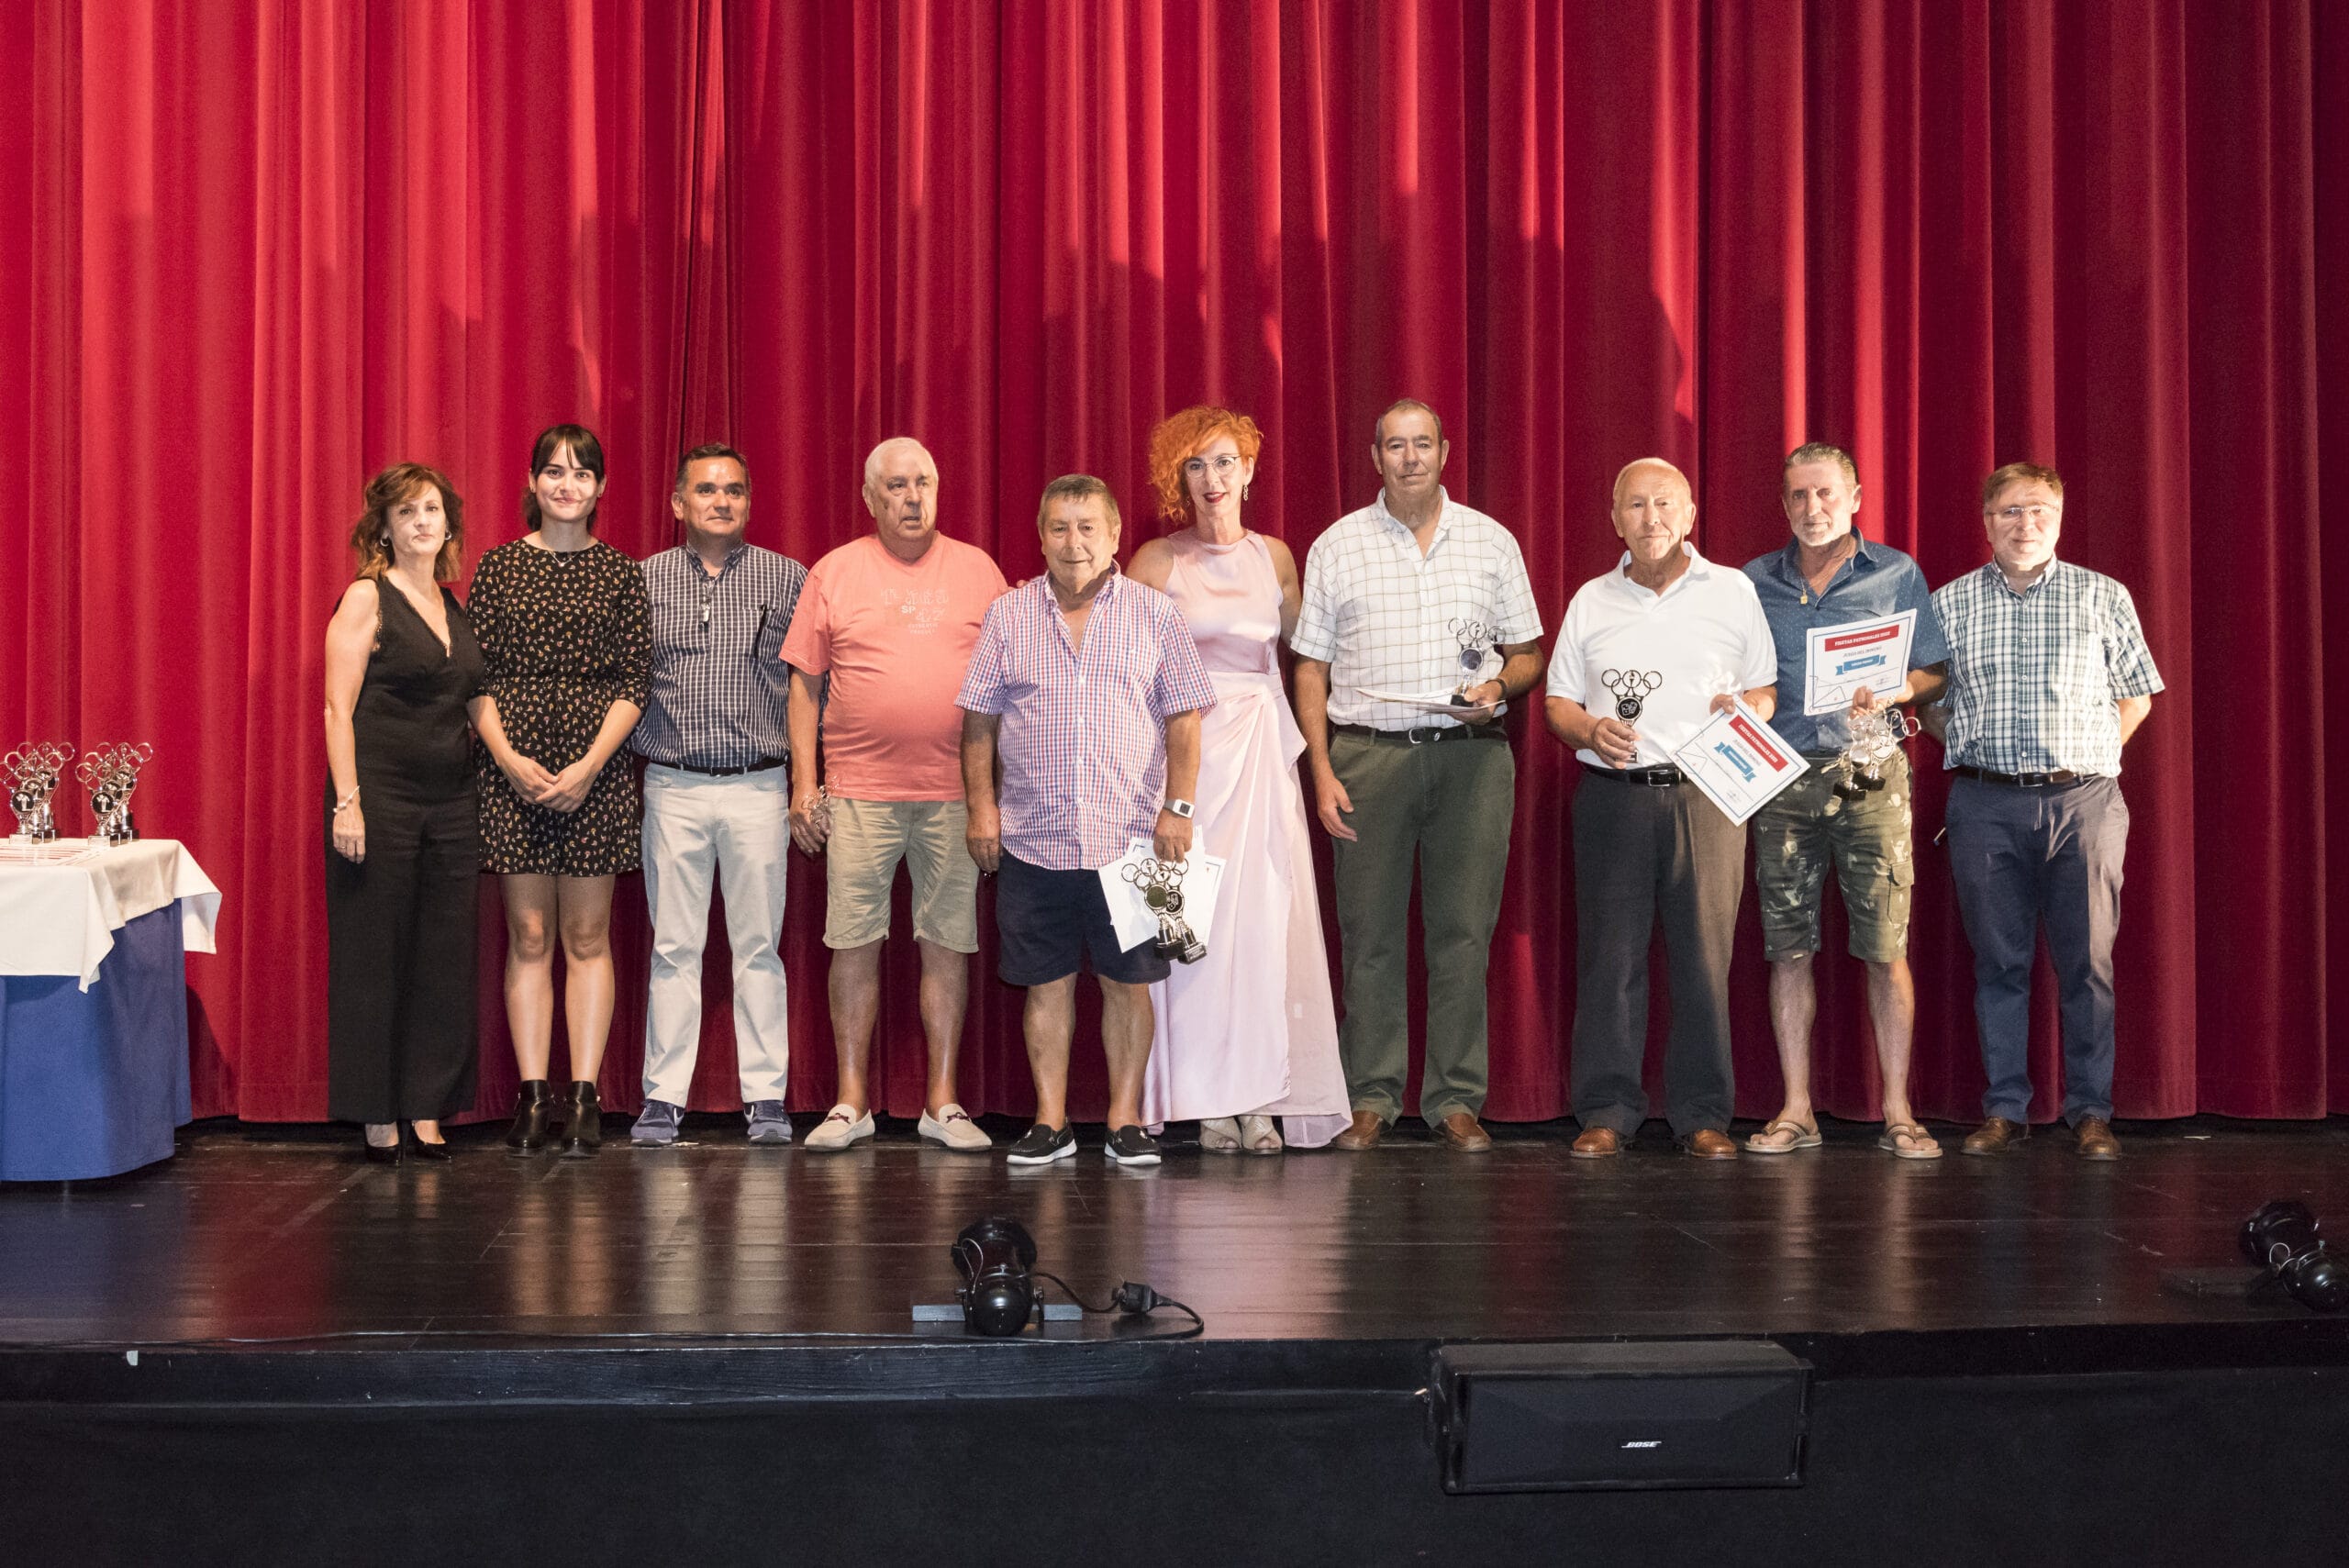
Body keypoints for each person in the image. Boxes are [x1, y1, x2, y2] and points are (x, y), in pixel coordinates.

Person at [1290, 399, 1544, 1153]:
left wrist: (1498, 686)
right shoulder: (1337, 546)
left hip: (1472, 760)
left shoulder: (1492, 542)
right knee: (1369, 935)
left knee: (1463, 934)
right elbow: (1310, 667)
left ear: (1444, 451)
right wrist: (1320, 767)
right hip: (1368, 757)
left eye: (1422, 443)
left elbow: (1528, 653)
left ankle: (1455, 1099)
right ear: (1376, 457)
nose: (1410, 458)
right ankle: (1370, 1094)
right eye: (1395, 446)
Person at [957, 474, 1216, 1167]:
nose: (1074, 542)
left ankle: (1124, 1120)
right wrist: (981, 808)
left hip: (1131, 840)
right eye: (1060, 528)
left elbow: (1185, 719)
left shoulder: (1156, 614)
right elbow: (979, 723)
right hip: (1031, 838)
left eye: (1088, 527)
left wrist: (1178, 808)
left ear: (1115, 535)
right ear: (1041, 537)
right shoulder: (1008, 615)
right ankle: (1051, 1121)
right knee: (1046, 983)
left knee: (1129, 985)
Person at [1921, 462, 2162, 1160]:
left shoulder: (2103, 595)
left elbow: (2137, 694)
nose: (2025, 525)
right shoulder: (1949, 603)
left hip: (2084, 802)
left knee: (2088, 964)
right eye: (2010, 512)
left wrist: (2086, 756)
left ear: (2058, 519)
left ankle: (2091, 1112)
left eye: (2039, 512)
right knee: (1999, 963)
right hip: (1984, 804)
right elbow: (1929, 704)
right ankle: (2004, 1109)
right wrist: (1978, 750)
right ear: (1986, 521)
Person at [1127, 407, 1349, 1153]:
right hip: (1183, 765)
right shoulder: (1156, 561)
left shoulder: (1276, 558)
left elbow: (1310, 658)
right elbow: (1123, 670)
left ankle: (1259, 1099)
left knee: (1259, 928)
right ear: (1178, 478)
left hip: (1260, 758)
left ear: (1249, 470)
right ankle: (1204, 1100)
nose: (1212, 478)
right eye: (1195, 465)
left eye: (1224, 462)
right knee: (1190, 927)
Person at [1545, 458, 1777, 1160]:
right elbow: (1557, 703)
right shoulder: (1591, 599)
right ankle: (1606, 1110)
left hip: (1710, 798)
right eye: (1636, 505)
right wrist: (1589, 729)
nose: (1651, 518)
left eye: (1665, 503)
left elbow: (1766, 689)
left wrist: (1749, 708)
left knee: (1704, 962)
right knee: (1610, 961)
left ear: (1690, 515)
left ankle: (1702, 1115)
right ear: (1615, 518)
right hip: (1613, 798)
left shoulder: (1732, 591)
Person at [782, 438, 1006, 1153]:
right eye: (897, 486)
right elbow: (804, 686)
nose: (913, 498)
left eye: (924, 483)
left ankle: (942, 1101)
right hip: (857, 793)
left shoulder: (980, 571)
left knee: (947, 945)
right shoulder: (834, 571)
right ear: (870, 498)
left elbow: (1012, 687)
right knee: (853, 944)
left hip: (954, 794)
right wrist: (804, 785)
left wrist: (991, 796)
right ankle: (852, 1101)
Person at [1740, 443, 1952, 1160]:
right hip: (1780, 778)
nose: (1813, 508)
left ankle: (1898, 1110)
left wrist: (1898, 689)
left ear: (1855, 497)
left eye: (1826, 493)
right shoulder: (1752, 581)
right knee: (1787, 948)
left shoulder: (1896, 573)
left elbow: (1933, 672)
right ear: (1783, 504)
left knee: (1886, 947)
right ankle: (1797, 1108)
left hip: (1872, 773)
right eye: (1799, 496)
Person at [468, 424, 651, 1158]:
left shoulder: (621, 574)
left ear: (601, 487)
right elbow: (474, 679)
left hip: (593, 775)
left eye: (580, 472)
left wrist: (589, 767)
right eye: (553, 470)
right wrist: (509, 760)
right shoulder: (498, 567)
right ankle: (533, 1093)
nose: (566, 483)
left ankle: (584, 1095)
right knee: (530, 935)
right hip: (512, 770)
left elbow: (635, 682)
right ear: (532, 482)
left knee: (586, 937)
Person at [626, 444, 807, 1148]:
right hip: (672, 785)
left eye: (734, 489)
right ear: (679, 503)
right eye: (706, 489)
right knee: (675, 946)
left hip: (760, 785)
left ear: (749, 502)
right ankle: (662, 1098)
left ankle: (767, 1097)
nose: (721, 500)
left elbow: (812, 685)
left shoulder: (786, 579)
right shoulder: (644, 581)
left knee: (759, 947)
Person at [322, 462, 489, 1162]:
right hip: (379, 799)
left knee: (443, 957)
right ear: (385, 528)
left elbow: (474, 701)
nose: (423, 521)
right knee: (374, 956)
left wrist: (515, 764)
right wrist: (349, 802)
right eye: (407, 512)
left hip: (451, 804)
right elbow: (337, 707)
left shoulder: (452, 605)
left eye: (432, 510)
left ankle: (425, 1105)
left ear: (449, 524)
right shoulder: (368, 596)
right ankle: (377, 1111)